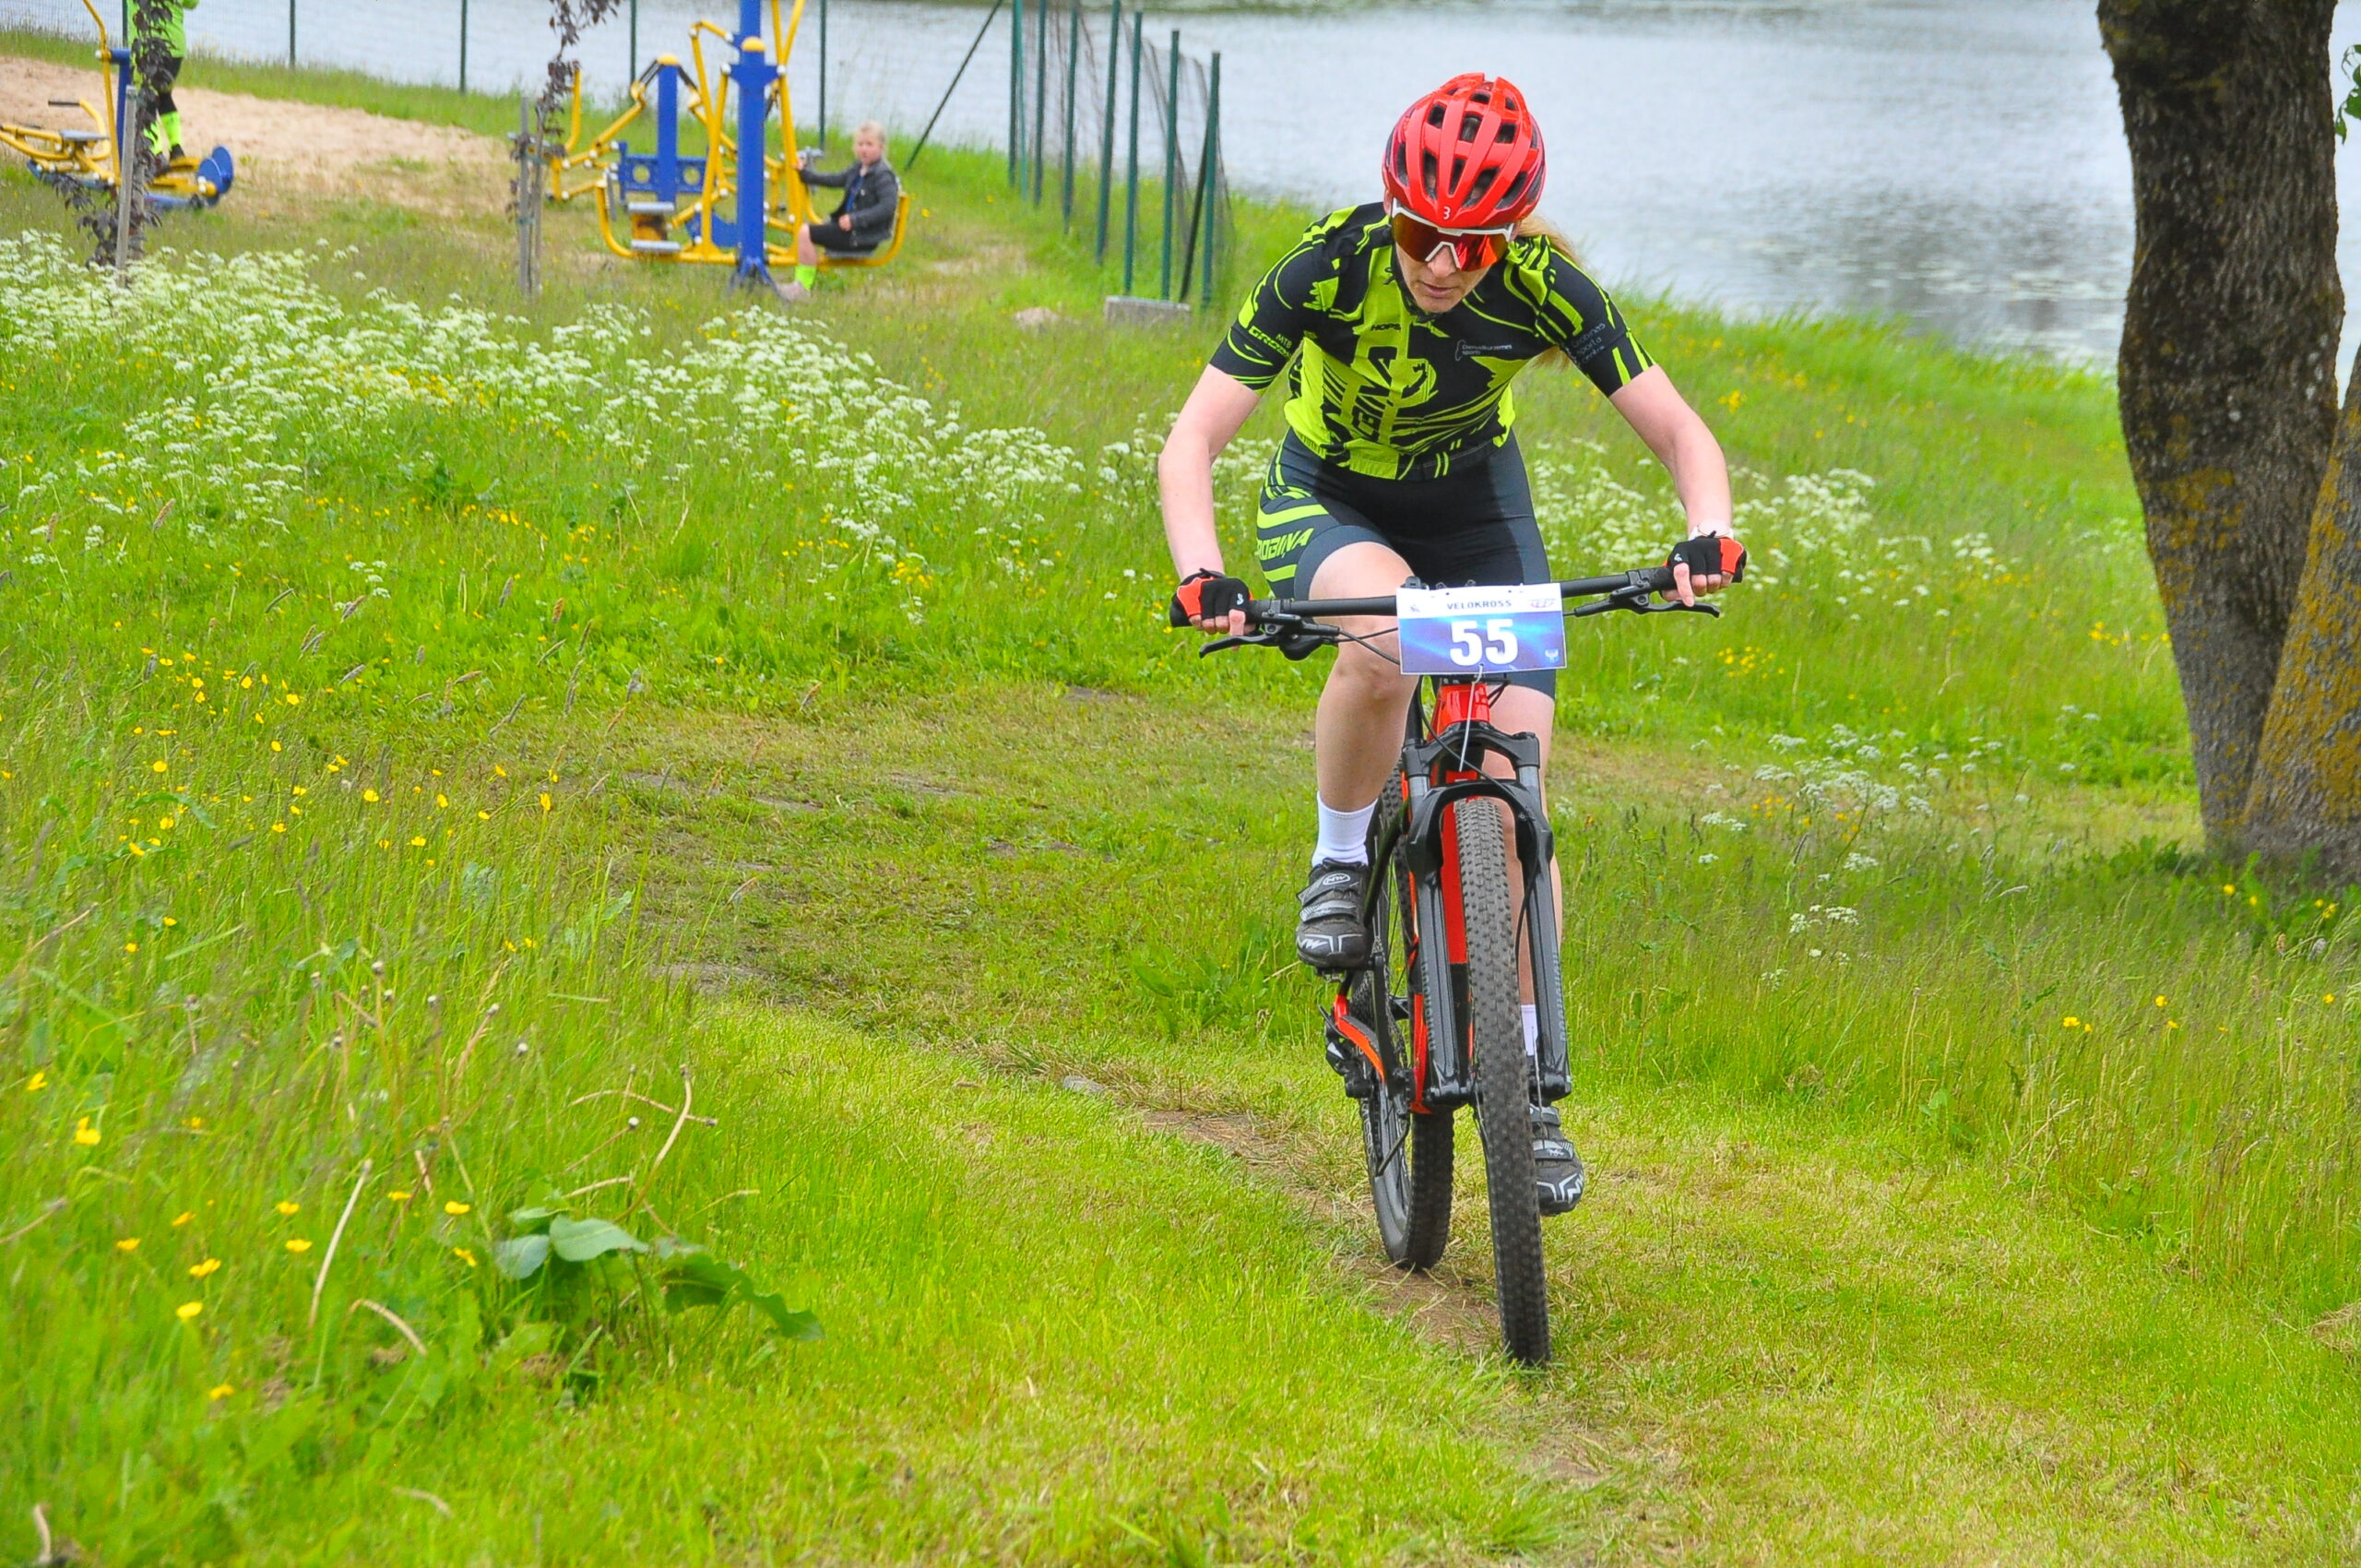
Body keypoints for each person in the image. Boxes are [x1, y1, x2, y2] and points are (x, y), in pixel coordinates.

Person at [1157, 74, 1741, 1215]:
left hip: (1476, 512)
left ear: (1508, 235)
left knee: (1517, 779)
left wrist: (1708, 532)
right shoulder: (1328, 264)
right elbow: (1194, 439)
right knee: (1384, 643)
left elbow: (1680, 430)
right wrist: (1199, 568)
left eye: (1470, 246)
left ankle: (1529, 1087)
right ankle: (1339, 859)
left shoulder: (1544, 287)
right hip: (1330, 497)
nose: (1440, 264)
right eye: (1421, 235)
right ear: (1392, 210)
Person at [783, 121, 900, 301]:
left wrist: (855, 220)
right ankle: (802, 284)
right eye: (860, 144)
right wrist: (805, 174)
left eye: (869, 145)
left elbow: (887, 207)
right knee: (808, 231)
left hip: (861, 236)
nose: (864, 149)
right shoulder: (858, 168)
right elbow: (835, 179)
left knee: (805, 232)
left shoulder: (883, 176)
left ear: (881, 147)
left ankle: (802, 287)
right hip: (852, 230)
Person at [129, 0, 198, 162]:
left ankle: (156, 153)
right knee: (164, 95)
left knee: (146, 98)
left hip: (148, 46)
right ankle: (176, 148)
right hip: (175, 48)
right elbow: (192, 3)